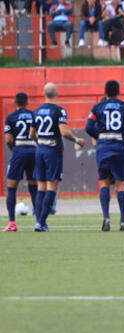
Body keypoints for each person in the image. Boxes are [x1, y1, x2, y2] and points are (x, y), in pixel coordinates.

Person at [30, 83, 86, 232]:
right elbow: (64, 132)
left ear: (43, 93)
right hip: (52, 151)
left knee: (40, 185)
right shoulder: (59, 111)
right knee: (51, 186)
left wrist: (40, 143)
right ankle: (41, 222)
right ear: (57, 94)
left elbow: (31, 134)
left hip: (39, 150)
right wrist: (77, 140)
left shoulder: (36, 111)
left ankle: (38, 221)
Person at [85, 80, 124, 232]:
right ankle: (122, 220)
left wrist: (99, 136)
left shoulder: (97, 107)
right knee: (121, 183)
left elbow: (88, 127)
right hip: (119, 146)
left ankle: (106, 217)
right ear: (118, 92)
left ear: (105, 92)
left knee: (104, 183)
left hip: (103, 147)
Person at [3, 93, 37, 232]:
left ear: (15, 102)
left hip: (19, 151)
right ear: (27, 102)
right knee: (34, 188)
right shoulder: (34, 115)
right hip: (34, 151)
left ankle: (12, 223)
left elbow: (8, 140)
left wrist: (14, 150)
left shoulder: (10, 117)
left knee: (11, 187)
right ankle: (39, 222)